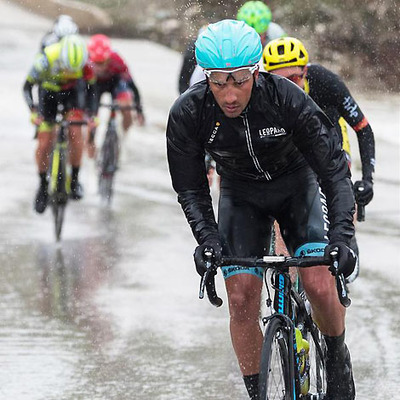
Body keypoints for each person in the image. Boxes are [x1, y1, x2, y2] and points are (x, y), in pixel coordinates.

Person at [167, 19, 357, 400]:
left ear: (255, 70)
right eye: (219, 81)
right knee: (239, 299)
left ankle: (336, 354)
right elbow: (190, 189)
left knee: (319, 283)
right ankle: (258, 394)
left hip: (296, 184)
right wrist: (206, 240)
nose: (230, 93)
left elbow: (334, 171)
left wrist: (342, 237)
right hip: (241, 193)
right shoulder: (190, 112)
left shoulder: (285, 98)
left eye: (239, 78)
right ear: (206, 77)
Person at [263, 36, 375, 281]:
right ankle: (287, 290)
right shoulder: (262, 93)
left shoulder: (326, 82)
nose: (289, 85)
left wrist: (368, 179)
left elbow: (363, 128)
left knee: (335, 211)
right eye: (280, 80)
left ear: (306, 71)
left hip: (332, 151)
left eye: (295, 78)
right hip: (292, 157)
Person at [23, 34, 97, 213]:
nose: (69, 73)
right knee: (45, 141)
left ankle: (75, 179)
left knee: (76, 131)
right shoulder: (46, 59)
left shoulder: (86, 62)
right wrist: (33, 111)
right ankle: (42, 186)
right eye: (66, 69)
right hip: (49, 92)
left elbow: (92, 89)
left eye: (74, 70)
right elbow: (27, 87)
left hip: (72, 92)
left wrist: (92, 115)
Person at [178, 1, 286, 95]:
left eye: (260, 35)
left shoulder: (277, 35)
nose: (256, 43)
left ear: (267, 30)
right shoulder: (219, 38)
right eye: (248, 39)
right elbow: (189, 81)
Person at [87, 33, 145, 142]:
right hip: (95, 86)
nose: (99, 68)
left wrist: (139, 110)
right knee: (92, 119)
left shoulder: (117, 61)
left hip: (114, 83)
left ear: (109, 58)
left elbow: (132, 85)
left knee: (126, 105)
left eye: (102, 63)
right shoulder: (85, 63)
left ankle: (123, 137)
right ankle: (91, 147)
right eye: (96, 63)